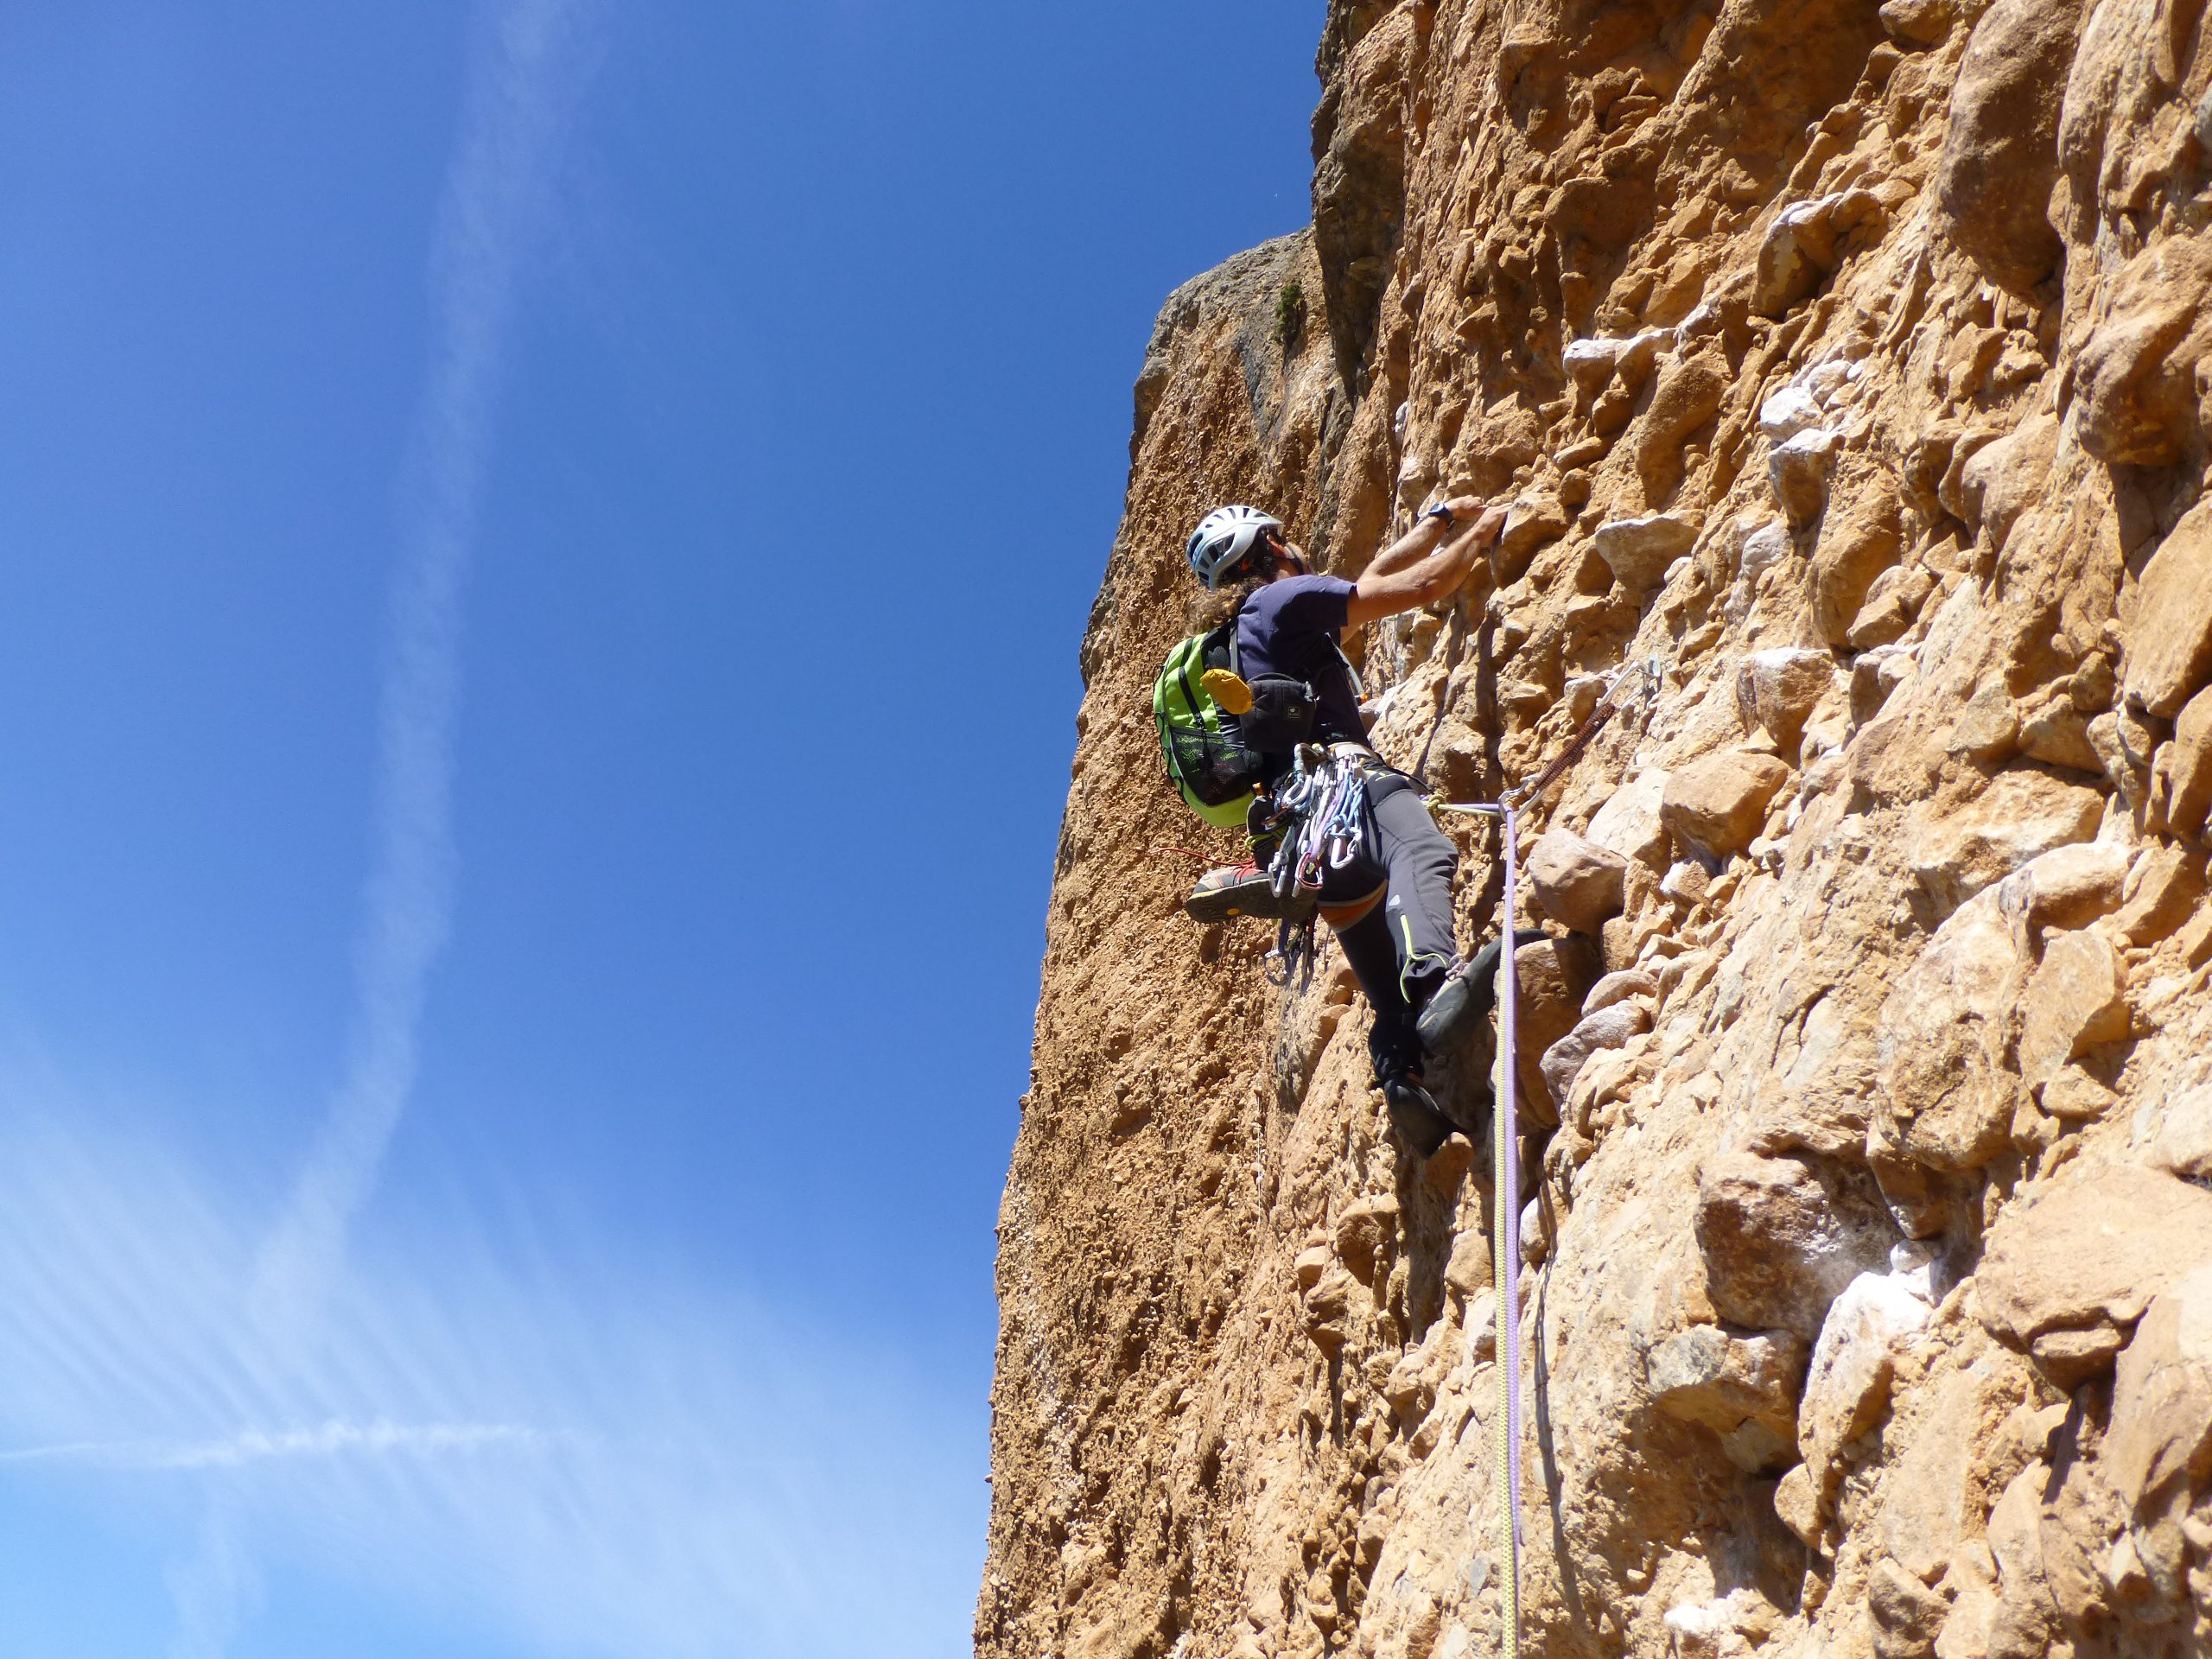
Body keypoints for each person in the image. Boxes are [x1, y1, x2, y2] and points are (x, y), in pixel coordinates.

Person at [1179, 499, 1522, 1156]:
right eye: (1283, 537)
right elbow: (1421, 587)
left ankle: (1400, 1074)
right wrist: (1483, 529)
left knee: (1381, 987)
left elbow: (1371, 576)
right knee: (1422, 848)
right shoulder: (1289, 600)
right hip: (1349, 789)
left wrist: (1435, 524)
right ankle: (1435, 979)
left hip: (1308, 841)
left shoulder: (1253, 629)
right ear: (1271, 548)